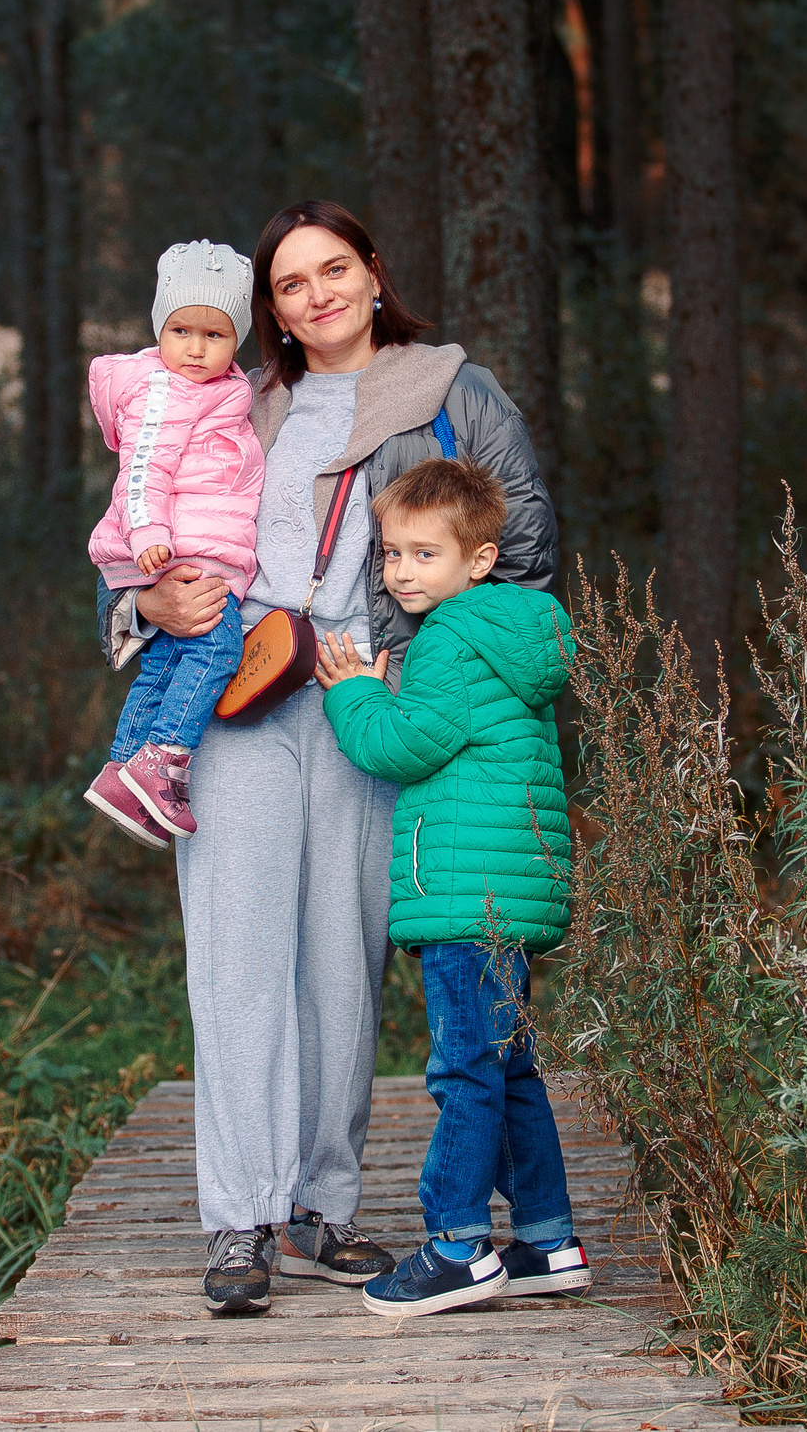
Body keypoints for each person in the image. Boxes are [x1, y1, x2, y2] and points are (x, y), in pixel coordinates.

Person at [102, 198, 557, 1316]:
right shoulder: (232, 400)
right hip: (240, 698)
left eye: (334, 268)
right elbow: (135, 526)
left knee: (341, 964)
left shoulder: (455, 392)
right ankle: (239, 1220)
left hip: (375, 707)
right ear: (272, 311)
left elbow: (526, 556)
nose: (317, 294)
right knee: (238, 962)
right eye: (291, 283)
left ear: (373, 271)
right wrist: (146, 598)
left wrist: (427, 678)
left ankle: (321, 1207)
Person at [314, 458, 591, 1317]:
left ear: (478, 559)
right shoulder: (520, 632)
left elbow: (406, 744)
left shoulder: (447, 639)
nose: (401, 571)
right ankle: (548, 1239)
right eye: (393, 553)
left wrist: (353, 693)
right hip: (511, 891)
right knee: (509, 1070)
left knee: (463, 1069)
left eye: (424, 554)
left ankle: (458, 1244)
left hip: (464, 896)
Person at [83, 242, 266, 847]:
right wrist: (150, 537)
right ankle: (164, 760)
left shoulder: (219, 388)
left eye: (214, 335)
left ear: (236, 340)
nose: (195, 347)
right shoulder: (166, 392)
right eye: (180, 330)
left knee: (164, 666)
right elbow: (143, 471)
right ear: (158, 328)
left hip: (182, 547)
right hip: (170, 551)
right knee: (217, 650)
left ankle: (122, 767)